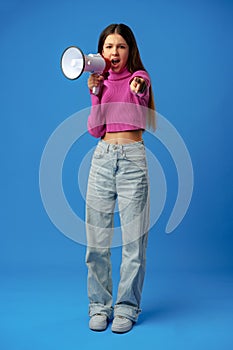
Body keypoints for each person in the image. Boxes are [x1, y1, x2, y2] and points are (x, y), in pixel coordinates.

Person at [85, 23, 156, 333]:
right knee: (96, 243)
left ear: (130, 51)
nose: (114, 52)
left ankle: (127, 307)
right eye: (108, 47)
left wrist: (138, 90)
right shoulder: (99, 82)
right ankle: (99, 306)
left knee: (133, 243)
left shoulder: (139, 79)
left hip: (132, 161)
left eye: (121, 47)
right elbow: (95, 130)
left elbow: (139, 102)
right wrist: (95, 94)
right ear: (101, 52)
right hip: (102, 159)